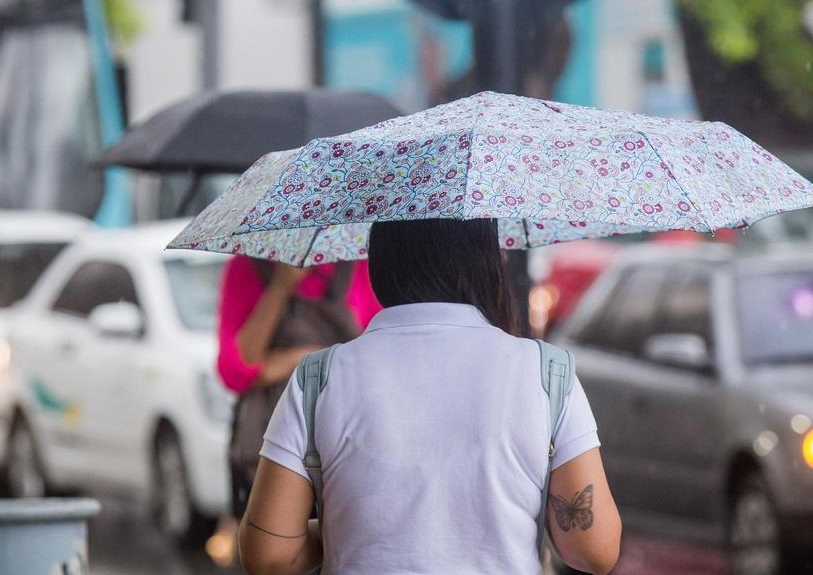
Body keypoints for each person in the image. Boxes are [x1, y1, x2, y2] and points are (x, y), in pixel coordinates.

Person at [237, 218, 621, 575]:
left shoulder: (319, 378)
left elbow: (268, 554)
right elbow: (593, 550)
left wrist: (346, 534)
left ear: (380, 263)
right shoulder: (547, 374)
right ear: (487, 261)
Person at [218, 255, 379, 520]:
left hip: (349, 445)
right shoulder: (245, 268)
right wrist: (281, 287)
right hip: (273, 449)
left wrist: (274, 365)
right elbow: (234, 372)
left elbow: (375, 360)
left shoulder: (360, 265)